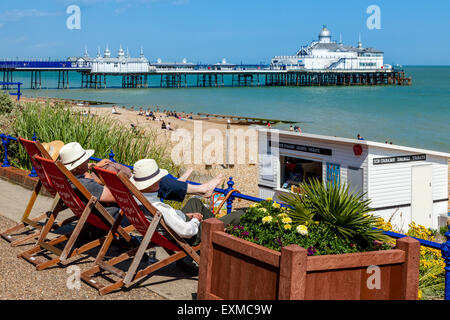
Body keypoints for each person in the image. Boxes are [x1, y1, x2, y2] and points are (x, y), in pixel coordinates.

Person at [130, 159, 245, 246]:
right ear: (154, 184)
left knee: (195, 202)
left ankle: (214, 224)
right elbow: (186, 231)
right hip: (189, 236)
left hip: (169, 228)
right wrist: (196, 220)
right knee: (239, 215)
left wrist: (185, 215)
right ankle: (214, 232)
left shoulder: (136, 197)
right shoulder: (159, 208)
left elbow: (169, 219)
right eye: (161, 179)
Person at [58, 142, 128, 226]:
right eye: (86, 159)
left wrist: (93, 166)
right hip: (110, 217)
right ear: (79, 166)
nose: (88, 160)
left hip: (89, 215)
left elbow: (85, 176)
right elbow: (120, 197)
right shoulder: (86, 184)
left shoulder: (66, 179)